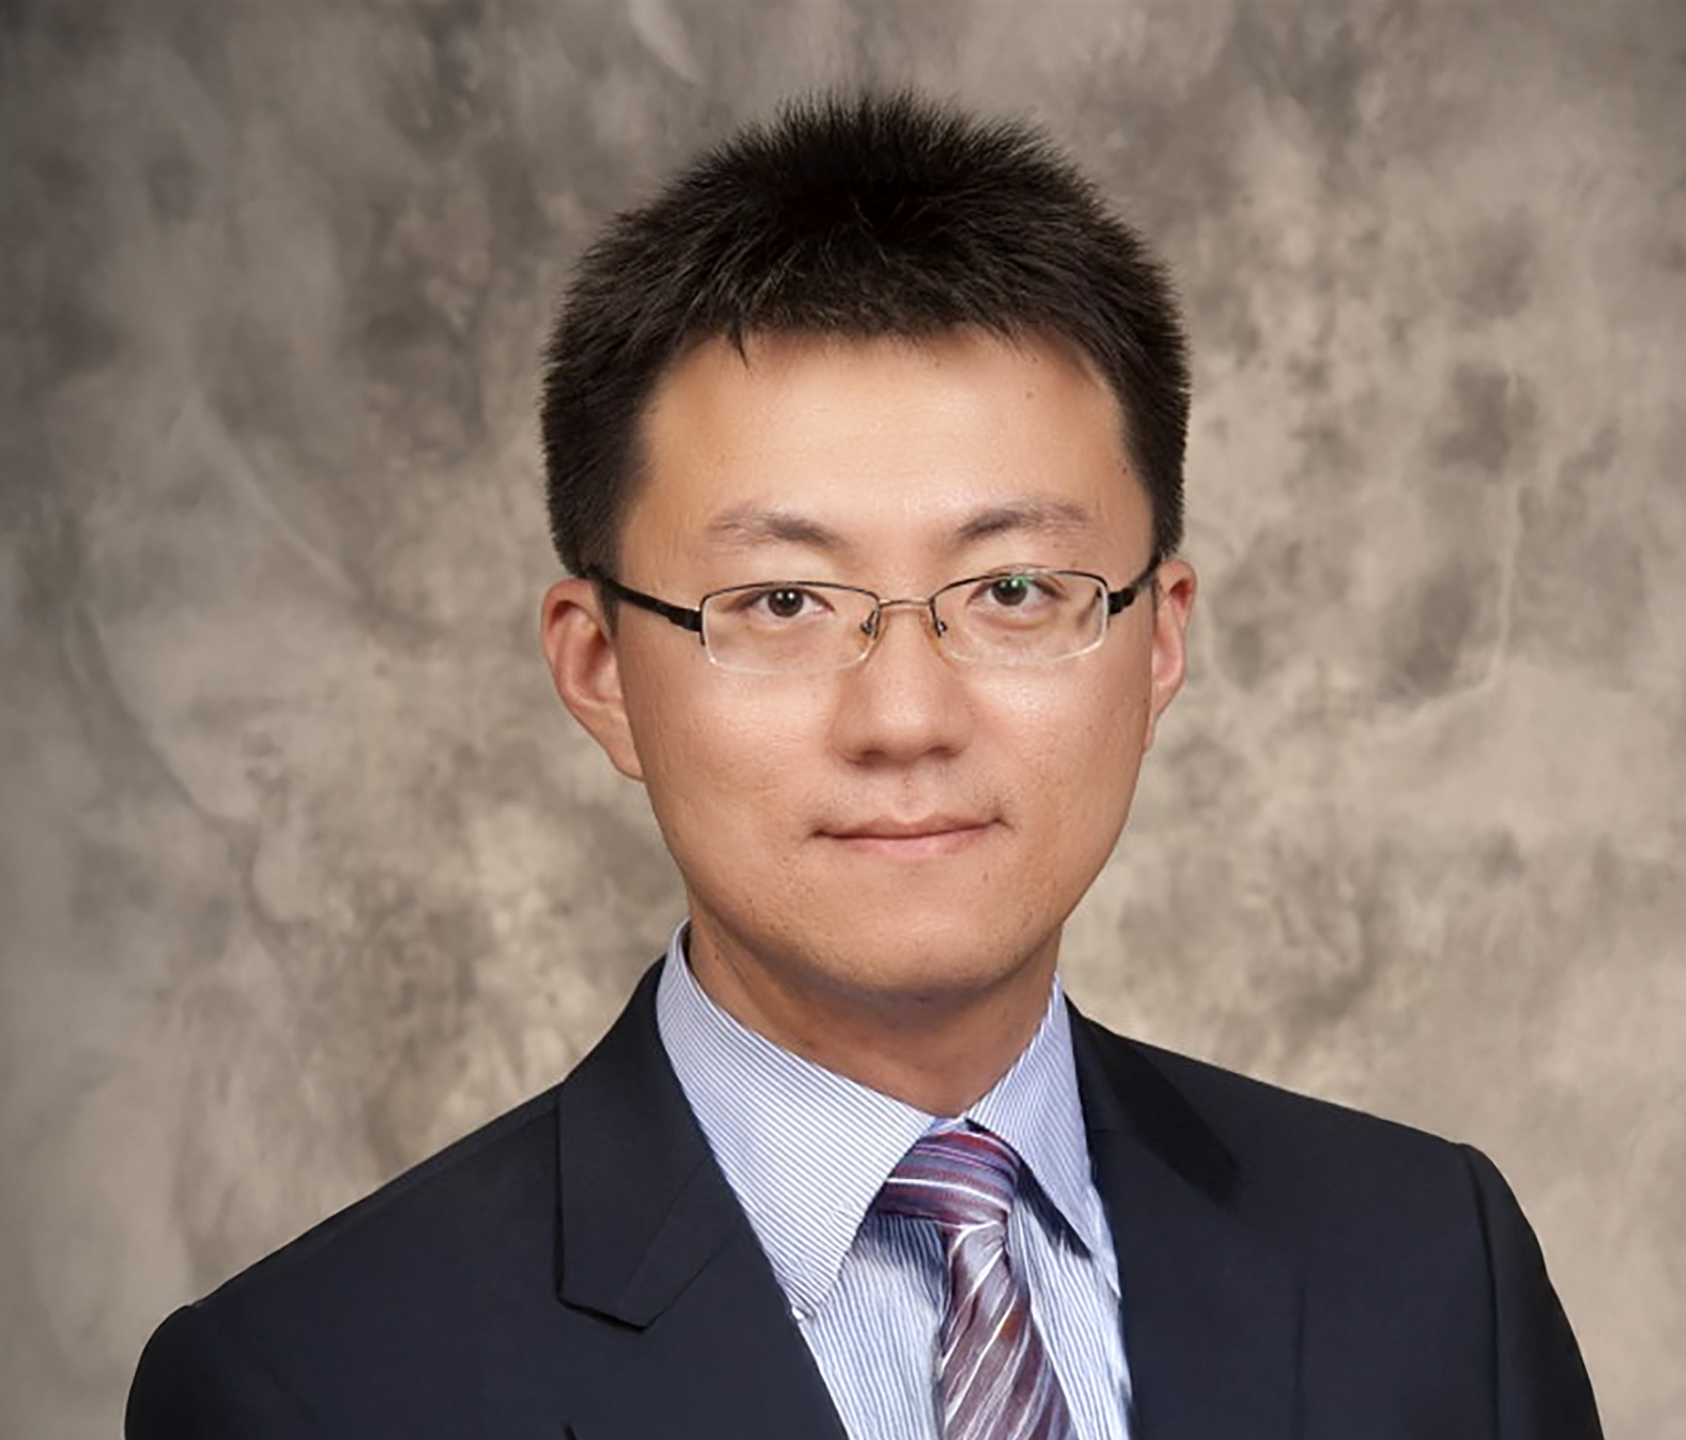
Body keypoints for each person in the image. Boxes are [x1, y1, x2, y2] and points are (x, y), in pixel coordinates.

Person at [126, 90, 1602, 1439]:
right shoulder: (314, 1387)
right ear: (598, 671)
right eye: (782, 602)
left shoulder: (1429, 1270)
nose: (905, 715)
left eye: (1016, 590)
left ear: (1158, 640)